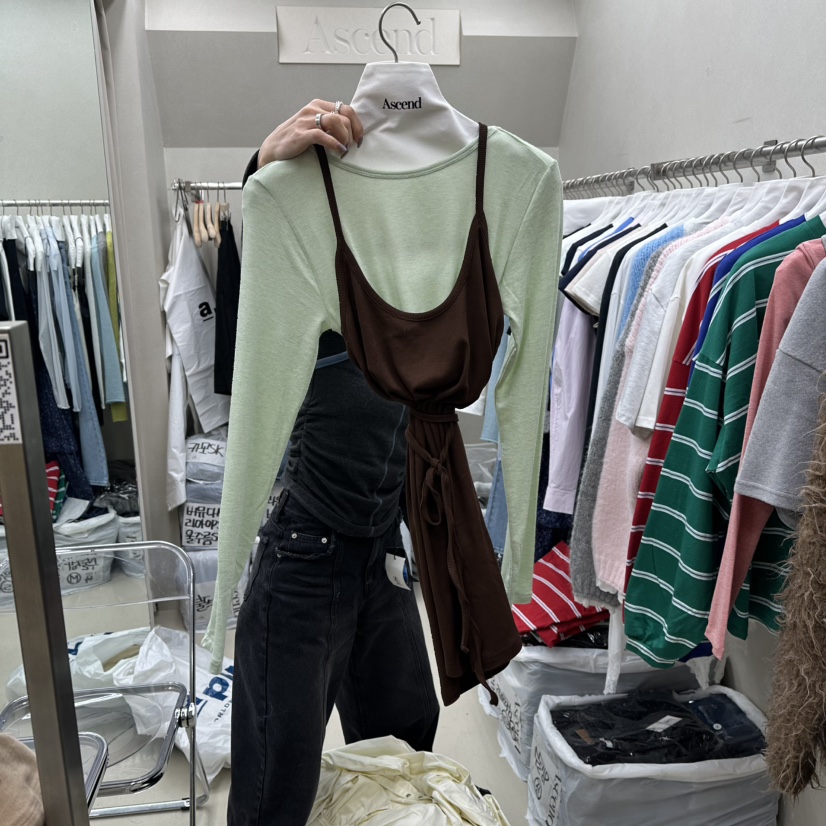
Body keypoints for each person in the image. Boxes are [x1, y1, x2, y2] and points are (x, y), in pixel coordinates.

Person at [228, 100, 440, 826]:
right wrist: (260, 171)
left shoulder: (416, 267)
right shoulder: (306, 260)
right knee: (275, 788)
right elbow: (257, 287)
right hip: (306, 551)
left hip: (381, 548)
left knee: (405, 744)